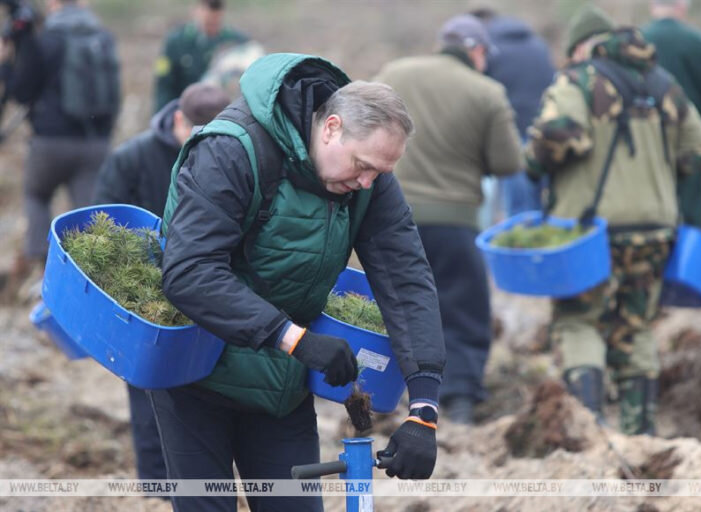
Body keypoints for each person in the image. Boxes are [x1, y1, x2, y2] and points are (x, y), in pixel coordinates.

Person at [151, 53, 446, 511]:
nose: (368, 182)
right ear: (331, 127)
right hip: (194, 372)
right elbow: (190, 272)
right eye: (363, 165)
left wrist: (424, 408)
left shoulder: (367, 180)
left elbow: (406, 278)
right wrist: (294, 339)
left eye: (380, 173)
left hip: (280, 388)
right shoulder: (233, 149)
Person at [526, 5, 701, 435]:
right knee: (638, 326)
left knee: (580, 319)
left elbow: (559, 136)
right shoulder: (664, 83)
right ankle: (640, 430)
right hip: (655, 228)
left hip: (589, 231)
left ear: (579, 48)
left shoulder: (578, 80)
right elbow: (698, 147)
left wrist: (534, 163)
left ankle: (591, 433)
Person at [375, 14, 523, 424]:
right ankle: (458, 401)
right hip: (455, 220)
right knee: (461, 309)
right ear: (476, 51)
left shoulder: (394, 73)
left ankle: (383, 393)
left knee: (395, 305)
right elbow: (509, 162)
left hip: (389, 217)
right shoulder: (488, 92)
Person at [92, 82, 230, 482]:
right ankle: (155, 483)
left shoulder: (228, 159)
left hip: (205, 290)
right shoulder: (133, 157)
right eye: (198, 132)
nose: (206, 143)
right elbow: (103, 220)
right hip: (143, 293)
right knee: (146, 385)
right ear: (177, 119)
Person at [1, 0, 119, 297]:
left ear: (54, 4)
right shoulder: (103, 38)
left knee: (37, 195)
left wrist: (6, 62)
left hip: (50, 143)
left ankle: (45, 272)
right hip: (95, 144)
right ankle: (88, 287)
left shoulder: (47, 40)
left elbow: (23, 90)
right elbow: (115, 94)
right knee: (88, 217)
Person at [643, 0, 701, 228]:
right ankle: (688, 261)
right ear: (682, 7)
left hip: (647, 140)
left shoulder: (639, 41)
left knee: (652, 209)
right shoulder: (699, 42)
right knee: (691, 213)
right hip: (690, 140)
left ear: (653, 7)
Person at [471, 5, 555, 222]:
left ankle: (521, 252)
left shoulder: (491, 50)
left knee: (518, 210)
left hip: (512, 133)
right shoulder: (538, 45)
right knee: (542, 205)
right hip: (544, 132)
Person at [153, 0, 247, 112]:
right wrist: (164, 118)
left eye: (216, 23)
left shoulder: (236, 42)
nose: (212, 27)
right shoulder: (175, 42)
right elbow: (164, 84)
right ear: (196, 11)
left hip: (222, 113)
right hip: (184, 111)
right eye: (208, 22)